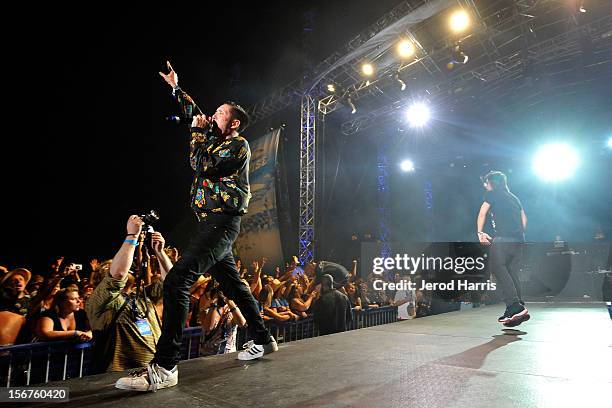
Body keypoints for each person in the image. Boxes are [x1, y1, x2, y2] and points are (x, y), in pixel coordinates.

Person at [115, 62, 276, 392]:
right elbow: (198, 113)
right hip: (212, 224)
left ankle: (165, 366)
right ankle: (263, 338)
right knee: (235, 287)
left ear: (233, 122)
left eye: (219, 113)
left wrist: (197, 133)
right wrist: (177, 88)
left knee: (176, 281)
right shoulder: (216, 137)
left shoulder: (237, 145)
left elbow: (200, 164)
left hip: (220, 223)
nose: (210, 116)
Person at [87, 216, 170, 373]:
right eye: (108, 269)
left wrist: (160, 253)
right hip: (118, 379)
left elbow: (172, 281)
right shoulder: (99, 302)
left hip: (152, 373)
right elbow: (118, 273)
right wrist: (132, 236)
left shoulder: (140, 296)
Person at [476, 171, 529, 327]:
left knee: (498, 269)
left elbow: (482, 213)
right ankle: (516, 308)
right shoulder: (514, 198)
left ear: (492, 183)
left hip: (503, 238)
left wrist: (480, 232)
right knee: (511, 272)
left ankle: (515, 306)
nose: (485, 186)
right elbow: (524, 220)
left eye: (486, 183)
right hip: (519, 240)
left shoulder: (492, 194)